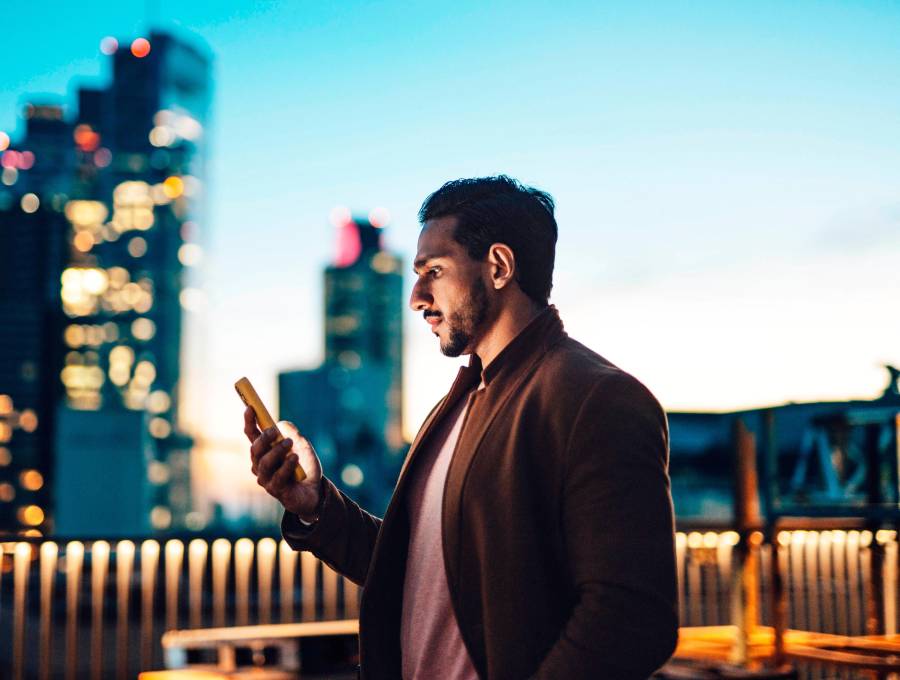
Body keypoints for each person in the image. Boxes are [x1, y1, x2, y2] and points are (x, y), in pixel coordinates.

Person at [244, 176, 678, 679]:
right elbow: (415, 573)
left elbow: (632, 618)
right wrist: (314, 504)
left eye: (434, 271)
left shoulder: (597, 399)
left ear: (498, 267)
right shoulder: (458, 404)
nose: (416, 298)